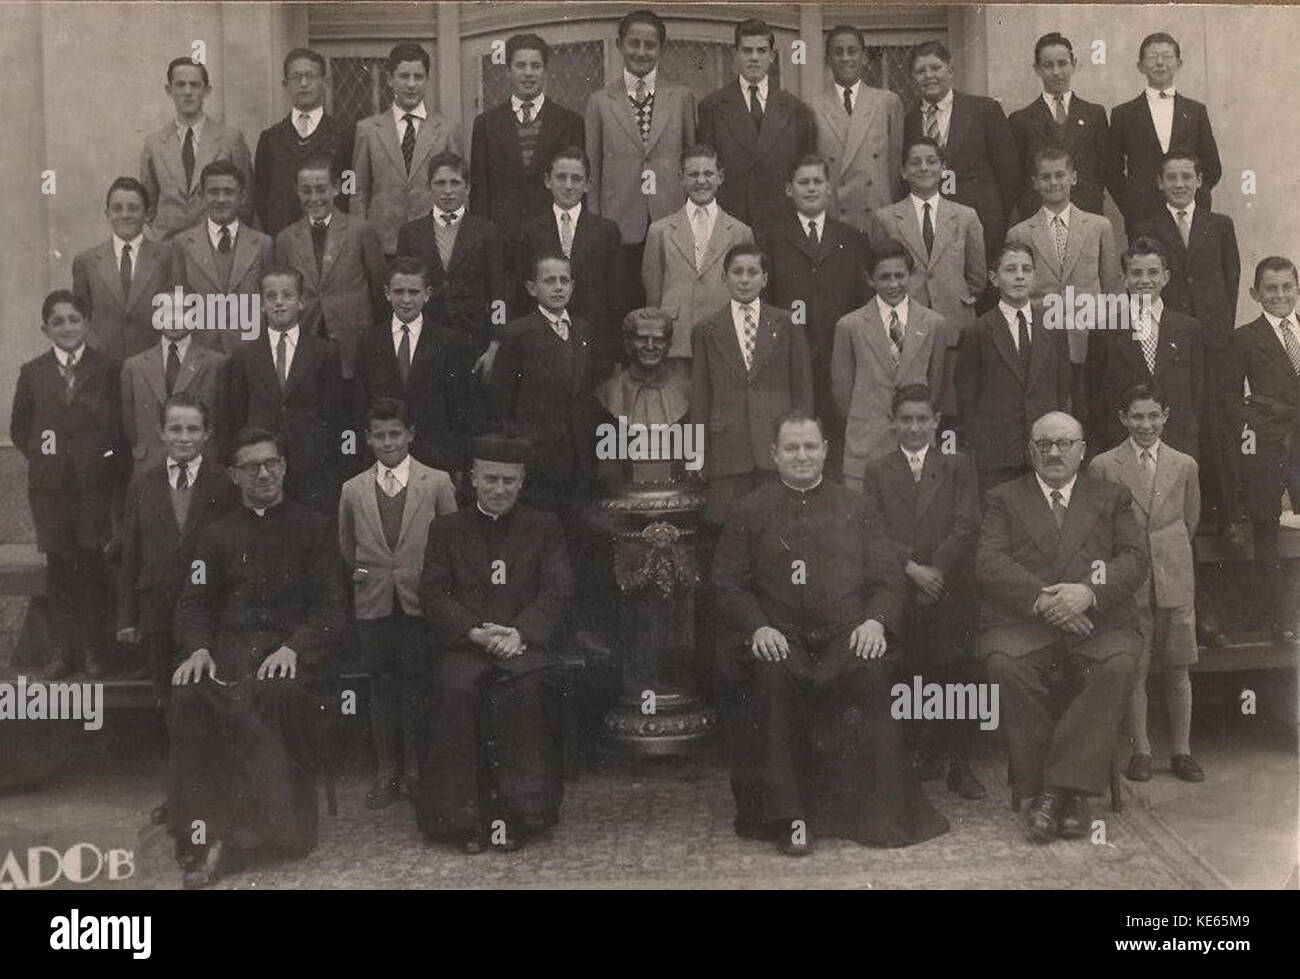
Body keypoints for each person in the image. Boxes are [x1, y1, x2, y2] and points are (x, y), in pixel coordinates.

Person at [712, 409, 949, 856]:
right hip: (780, 637)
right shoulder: (749, 510)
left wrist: (877, 621)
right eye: (791, 448)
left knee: (873, 674)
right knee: (772, 680)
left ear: (825, 451)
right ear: (774, 455)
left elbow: (887, 577)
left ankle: (872, 815)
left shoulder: (858, 507)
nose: (801, 456)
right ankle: (791, 818)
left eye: (809, 447)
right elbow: (729, 583)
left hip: (847, 635)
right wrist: (758, 628)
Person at [168, 426, 345, 888]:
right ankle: (205, 835)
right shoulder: (215, 536)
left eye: (272, 463)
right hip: (229, 655)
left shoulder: (315, 527)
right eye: (251, 467)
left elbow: (331, 607)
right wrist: (199, 649)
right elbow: (195, 602)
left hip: (294, 655)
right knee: (189, 696)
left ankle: (271, 833)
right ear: (233, 475)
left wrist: (294, 648)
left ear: (284, 467)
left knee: (276, 693)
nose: (264, 474)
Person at [977, 411, 1147, 843]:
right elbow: (989, 562)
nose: (1054, 452)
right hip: (1025, 622)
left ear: (1082, 450)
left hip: (1098, 622)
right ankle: (1067, 794)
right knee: (1003, 664)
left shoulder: (1112, 496)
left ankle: (1054, 793)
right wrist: (1045, 599)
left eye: (1065, 444)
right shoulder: (1003, 498)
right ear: (1031, 449)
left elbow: (1132, 560)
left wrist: (1087, 592)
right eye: (1045, 443)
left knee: (1119, 664)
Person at [417, 434, 573, 852]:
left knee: (523, 692)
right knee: (455, 691)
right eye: (490, 479)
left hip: (523, 646)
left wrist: (520, 632)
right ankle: (461, 821)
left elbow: (557, 590)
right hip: (467, 646)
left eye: (508, 480)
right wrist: (473, 631)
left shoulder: (545, 527)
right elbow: (433, 593)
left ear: (522, 481)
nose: (499, 489)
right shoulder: (446, 529)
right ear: (472, 479)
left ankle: (519, 816)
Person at [117, 391, 236, 822]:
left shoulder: (224, 484)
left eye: (192, 429)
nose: (183, 437)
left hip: (209, 614)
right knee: (168, 704)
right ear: (161, 433)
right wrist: (127, 616)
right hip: (158, 611)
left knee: (205, 700)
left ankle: (216, 795)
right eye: (175, 428)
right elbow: (131, 552)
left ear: (207, 434)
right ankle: (179, 797)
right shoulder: (143, 484)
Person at [860, 384, 984, 799]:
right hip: (903, 585)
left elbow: (967, 523)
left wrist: (937, 570)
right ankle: (918, 755)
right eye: (906, 419)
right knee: (911, 669)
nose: (914, 428)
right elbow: (873, 530)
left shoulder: (958, 465)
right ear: (893, 422)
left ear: (936, 422)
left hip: (950, 584)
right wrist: (913, 569)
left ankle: (959, 763)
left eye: (922, 419)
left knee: (957, 672)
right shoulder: (877, 470)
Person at [339, 397, 457, 808]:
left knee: (417, 682)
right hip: (373, 601)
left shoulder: (436, 482)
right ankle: (386, 769)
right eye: (379, 436)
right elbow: (347, 544)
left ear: (410, 435)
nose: (388, 443)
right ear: (367, 439)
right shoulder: (352, 490)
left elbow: (452, 539)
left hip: (418, 601)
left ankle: (415, 770)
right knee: (381, 684)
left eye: (395, 434)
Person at [1089, 384, 1203, 783]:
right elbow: (1100, 526)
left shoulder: (1184, 464)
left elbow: (1190, 520)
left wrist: (1168, 553)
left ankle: (1182, 751)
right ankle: (1141, 750)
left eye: (1153, 415)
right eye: (1137, 416)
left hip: (1174, 572)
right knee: (1135, 667)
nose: (1146, 424)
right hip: (1130, 575)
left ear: (1166, 416)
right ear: (1123, 419)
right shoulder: (1105, 465)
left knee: (1178, 665)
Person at [10, 291, 126, 680]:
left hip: (94, 488)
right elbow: (20, 427)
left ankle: (95, 651)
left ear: (87, 323)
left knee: (93, 566)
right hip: (51, 492)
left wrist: (97, 465)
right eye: (57, 321)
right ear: (45, 329)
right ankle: (63, 652)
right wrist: (49, 462)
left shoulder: (107, 368)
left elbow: (118, 428)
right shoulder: (33, 372)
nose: (66, 327)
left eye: (73, 319)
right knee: (59, 568)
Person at [1129, 150, 1240, 529]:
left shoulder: (1219, 225)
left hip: (1211, 338)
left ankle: (1219, 516)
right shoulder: (1147, 225)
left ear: (1199, 181)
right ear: (1160, 182)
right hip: (1168, 336)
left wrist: (1220, 330)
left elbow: (1231, 279)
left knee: (1211, 419)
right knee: (1175, 416)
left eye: (1186, 177)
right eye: (1171, 178)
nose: (1179, 184)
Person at [758, 154, 877, 480]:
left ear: (828, 189)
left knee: (837, 441)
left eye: (817, 182)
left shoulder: (852, 239)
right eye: (803, 182)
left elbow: (864, 304)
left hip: (838, 358)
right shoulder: (770, 238)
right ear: (789, 189)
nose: (811, 188)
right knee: (793, 437)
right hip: (790, 358)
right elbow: (765, 300)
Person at [690, 243, 813, 524]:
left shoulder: (787, 324)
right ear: (724, 277)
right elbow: (700, 396)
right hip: (727, 449)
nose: (744, 279)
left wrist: (801, 444)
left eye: (752, 272)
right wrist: (695, 453)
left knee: (778, 527)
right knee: (728, 530)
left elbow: (802, 389)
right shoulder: (706, 329)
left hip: (775, 445)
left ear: (765, 279)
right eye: (737, 272)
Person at [585, 9, 696, 312]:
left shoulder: (681, 97)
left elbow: (691, 161)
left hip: (669, 214)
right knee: (624, 301)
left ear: (661, 49)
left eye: (650, 45)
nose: (641, 52)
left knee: (669, 301)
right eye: (634, 43)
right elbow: (592, 170)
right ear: (619, 44)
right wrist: (596, 222)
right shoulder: (600, 101)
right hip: (619, 220)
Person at [874, 135, 984, 419]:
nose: (924, 168)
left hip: (954, 322)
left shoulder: (965, 216)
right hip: (907, 322)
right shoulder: (886, 218)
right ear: (903, 171)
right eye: (915, 162)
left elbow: (977, 276)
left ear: (943, 168)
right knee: (912, 399)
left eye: (931, 161)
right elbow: (881, 272)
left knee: (953, 402)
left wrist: (956, 297)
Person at [1005, 145, 1122, 412]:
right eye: (1045, 177)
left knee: (1088, 410)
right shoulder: (1020, 233)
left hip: (1089, 337)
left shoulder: (1099, 226)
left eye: (1060, 175)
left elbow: (1112, 287)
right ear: (1034, 183)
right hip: (1042, 339)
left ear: (1074, 178)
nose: (1054, 182)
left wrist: (1109, 338)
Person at [222, 269, 345, 516]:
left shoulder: (325, 352)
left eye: (287, 295)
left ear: (301, 302)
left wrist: (334, 463)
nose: (279, 302)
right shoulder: (244, 356)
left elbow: (337, 415)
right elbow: (234, 416)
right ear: (261, 305)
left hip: (311, 465)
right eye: (271, 296)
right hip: (261, 466)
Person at [832, 242, 952, 492]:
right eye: (884, 277)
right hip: (867, 443)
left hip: (916, 438)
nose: (893, 284)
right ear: (870, 279)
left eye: (900, 276)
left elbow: (937, 384)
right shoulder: (849, 325)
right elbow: (842, 391)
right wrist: (866, 417)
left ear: (911, 276)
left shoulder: (934, 323)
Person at [954, 242, 1071, 492]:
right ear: (994, 278)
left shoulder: (1054, 328)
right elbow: (967, 399)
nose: (1019, 276)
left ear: (1035, 276)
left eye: (1026, 269)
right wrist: (983, 445)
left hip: (1045, 450)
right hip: (997, 455)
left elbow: (1062, 391)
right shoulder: (977, 332)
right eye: (1010, 269)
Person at [1225, 257, 1300, 645]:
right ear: (1256, 293)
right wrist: (1252, 427)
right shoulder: (1245, 337)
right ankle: (1279, 618)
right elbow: (1229, 396)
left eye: (1287, 286)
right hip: (1269, 442)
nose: (1280, 295)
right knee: (1268, 528)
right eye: (1271, 288)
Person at [490, 253, 594, 512]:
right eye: (549, 281)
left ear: (572, 286)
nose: (558, 287)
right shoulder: (518, 333)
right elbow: (502, 399)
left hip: (578, 456)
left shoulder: (583, 331)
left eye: (564, 280)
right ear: (532, 288)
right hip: (539, 458)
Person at [511, 146, 625, 381]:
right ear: (547, 181)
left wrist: (615, 351)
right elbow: (519, 293)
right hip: (542, 343)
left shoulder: (606, 231)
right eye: (561, 177)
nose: (569, 185)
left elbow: (616, 296)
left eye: (576, 178)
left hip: (594, 342)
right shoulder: (529, 231)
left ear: (587, 185)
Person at [354, 258, 474, 477]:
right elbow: (360, 403)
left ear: (427, 294)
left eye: (414, 292)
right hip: (382, 456)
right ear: (387, 293)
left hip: (434, 456)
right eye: (399, 292)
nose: (406, 300)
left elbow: (460, 408)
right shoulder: (369, 341)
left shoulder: (449, 342)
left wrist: (456, 460)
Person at [272, 156, 387, 382]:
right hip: (307, 338)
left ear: (335, 188)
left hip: (352, 338)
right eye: (306, 190)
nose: (314, 198)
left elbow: (379, 290)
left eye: (321, 189)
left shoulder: (360, 231)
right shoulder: (285, 239)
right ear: (297, 191)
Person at [698, 18, 817, 233]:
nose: (754, 58)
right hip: (730, 223)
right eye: (747, 51)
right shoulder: (712, 107)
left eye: (761, 51)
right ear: (735, 54)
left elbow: (805, 171)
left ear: (772, 56)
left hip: (781, 224)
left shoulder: (796, 109)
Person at [904, 41, 1019, 264]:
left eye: (935, 68)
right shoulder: (909, 121)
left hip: (982, 223)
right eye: (921, 71)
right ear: (913, 78)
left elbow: (1009, 173)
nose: (929, 75)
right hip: (930, 226)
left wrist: (996, 217)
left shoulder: (984, 110)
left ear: (950, 70)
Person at [396, 152, 506, 376]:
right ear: (429, 187)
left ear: (467, 188)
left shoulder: (487, 232)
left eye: (455, 183)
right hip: (426, 339)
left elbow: (498, 295)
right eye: (440, 183)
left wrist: (496, 342)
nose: (448, 190)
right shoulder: (411, 233)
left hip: (473, 339)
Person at [641, 143, 753, 363]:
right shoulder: (660, 231)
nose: (701, 181)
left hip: (723, 338)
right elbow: (653, 294)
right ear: (681, 178)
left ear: (720, 177)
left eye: (708, 173)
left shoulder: (740, 232)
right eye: (693, 174)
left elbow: (745, 293)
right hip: (675, 340)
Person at [470, 33, 585, 244]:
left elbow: (577, 187)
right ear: (508, 71)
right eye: (520, 65)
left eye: (536, 66)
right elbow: (479, 192)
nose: (528, 73)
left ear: (545, 71)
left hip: (553, 234)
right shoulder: (486, 124)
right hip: (502, 239)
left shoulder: (569, 122)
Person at [353, 42, 461, 256]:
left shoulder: (446, 129)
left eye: (418, 77)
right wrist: (359, 240)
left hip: (434, 242)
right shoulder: (367, 129)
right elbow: (357, 190)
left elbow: (459, 189)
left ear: (427, 80)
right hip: (382, 242)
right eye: (404, 76)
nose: (411, 84)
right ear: (390, 79)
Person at [1106, 32, 1222, 230]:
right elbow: (1111, 170)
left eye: (1167, 57)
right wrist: (1132, 205)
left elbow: (1212, 167)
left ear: (1179, 63)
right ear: (1140, 66)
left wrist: (1191, 197)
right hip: (1142, 215)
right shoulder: (1123, 114)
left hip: (1190, 215)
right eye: (1152, 57)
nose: (1160, 63)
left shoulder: (1196, 111)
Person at [139, 57, 253, 239]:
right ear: (169, 90)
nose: (187, 92)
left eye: (195, 85)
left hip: (215, 245)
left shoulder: (231, 139)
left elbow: (246, 202)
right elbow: (148, 204)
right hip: (168, 245)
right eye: (180, 85)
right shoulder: (154, 143)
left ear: (206, 90)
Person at [169, 159, 274, 355]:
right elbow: (179, 302)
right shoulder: (182, 244)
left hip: (249, 349)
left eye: (229, 192)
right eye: (213, 192)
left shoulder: (262, 244)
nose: (221, 199)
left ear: (242, 197)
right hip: (201, 351)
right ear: (202, 196)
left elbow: (268, 303)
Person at [1008, 32, 1110, 219]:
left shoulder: (1095, 115)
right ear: (1037, 69)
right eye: (1048, 65)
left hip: (1086, 213)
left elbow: (1104, 170)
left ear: (1074, 64)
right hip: (1038, 215)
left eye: (1062, 63)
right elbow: (1017, 177)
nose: (1056, 72)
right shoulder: (1020, 120)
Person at [254, 47, 354, 237]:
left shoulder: (345, 135)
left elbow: (350, 185)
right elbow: (261, 194)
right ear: (285, 84)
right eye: (296, 77)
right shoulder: (270, 138)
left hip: (332, 237)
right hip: (282, 237)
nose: (304, 83)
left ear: (325, 82)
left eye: (311, 76)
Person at [120, 295, 225, 477]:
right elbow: (129, 425)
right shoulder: (134, 366)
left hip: (201, 465)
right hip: (149, 465)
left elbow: (221, 420)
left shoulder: (216, 364)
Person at [812, 25, 904, 231]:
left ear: (864, 57)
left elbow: (895, 166)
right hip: (834, 217)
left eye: (852, 51)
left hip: (876, 217)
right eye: (838, 52)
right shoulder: (813, 107)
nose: (845, 58)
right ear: (828, 59)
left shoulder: (887, 102)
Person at [72, 177, 171, 365]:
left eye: (133, 208)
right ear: (107, 213)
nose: (125, 215)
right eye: (117, 208)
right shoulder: (86, 262)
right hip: (102, 365)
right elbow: (81, 319)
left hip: (153, 365)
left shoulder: (166, 257)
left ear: (147, 214)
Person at [594, 308, 692, 485]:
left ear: (669, 344)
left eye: (658, 339)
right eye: (641, 338)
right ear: (628, 343)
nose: (649, 346)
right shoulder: (608, 392)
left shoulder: (686, 392)